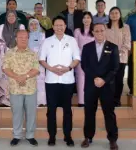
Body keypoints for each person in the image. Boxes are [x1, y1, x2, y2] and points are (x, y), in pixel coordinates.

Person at [39, 16, 80, 147]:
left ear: (65, 26)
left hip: (67, 80)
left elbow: (77, 59)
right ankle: (52, 136)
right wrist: (51, 69)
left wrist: (68, 68)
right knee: (51, 110)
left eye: (61, 25)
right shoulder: (47, 41)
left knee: (67, 110)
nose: (59, 27)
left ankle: (68, 136)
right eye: (56, 25)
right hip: (51, 81)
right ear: (53, 27)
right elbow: (41, 59)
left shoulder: (72, 40)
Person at [80, 23, 120, 150]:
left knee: (109, 113)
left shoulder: (113, 47)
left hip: (107, 86)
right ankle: (88, 137)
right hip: (91, 85)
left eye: (101, 30)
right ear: (93, 32)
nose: (99, 33)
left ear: (105, 31)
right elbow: (84, 66)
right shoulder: (87, 47)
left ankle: (112, 139)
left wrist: (104, 80)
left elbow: (115, 68)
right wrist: (95, 79)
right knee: (89, 112)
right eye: (96, 31)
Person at [3, 30, 40, 146]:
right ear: (16, 38)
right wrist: (17, 77)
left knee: (31, 113)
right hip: (15, 88)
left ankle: (30, 135)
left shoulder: (33, 53)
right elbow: (5, 68)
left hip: (30, 89)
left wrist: (25, 76)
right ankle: (17, 135)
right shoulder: (9, 53)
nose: (23, 39)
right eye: (21, 37)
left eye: (26, 37)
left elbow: (36, 69)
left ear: (28, 39)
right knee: (17, 113)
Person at [0, 10, 25, 107]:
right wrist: (5, 49)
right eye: (9, 16)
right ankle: (5, 100)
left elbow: (23, 39)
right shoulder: (2, 27)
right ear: (6, 18)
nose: (11, 17)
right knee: (5, 77)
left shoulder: (21, 27)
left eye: (13, 16)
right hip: (5, 54)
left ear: (16, 17)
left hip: (17, 55)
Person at [106, 7, 131, 106]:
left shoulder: (125, 27)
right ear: (109, 15)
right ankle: (109, 99)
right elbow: (103, 41)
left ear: (120, 15)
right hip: (108, 57)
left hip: (121, 57)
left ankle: (117, 100)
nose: (114, 15)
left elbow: (127, 42)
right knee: (109, 79)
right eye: (112, 13)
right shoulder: (105, 27)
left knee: (119, 80)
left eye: (116, 13)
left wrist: (118, 53)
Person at [74, 12, 95, 107]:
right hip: (80, 59)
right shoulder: (77, 31)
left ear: (91, 19)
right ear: (82, 20)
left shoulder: (95, 30)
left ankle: (90, 100)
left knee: (91, 80)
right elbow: (75, 46)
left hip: (93, 59)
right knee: (81, 80)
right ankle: (81, 101)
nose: (86, 19)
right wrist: (79, 58)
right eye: (84, 18)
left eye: (88, 17)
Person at [28, 18, 46, 106]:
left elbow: (43, 48)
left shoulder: (43, 35)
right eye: (31, 24)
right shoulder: (27, 35)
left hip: (40, 62)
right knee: (30, 81)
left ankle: (41, 102)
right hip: (29, 62)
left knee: (40, 81)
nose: (34, 26)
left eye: (36, 24)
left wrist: (37, 58)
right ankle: (31, 102)